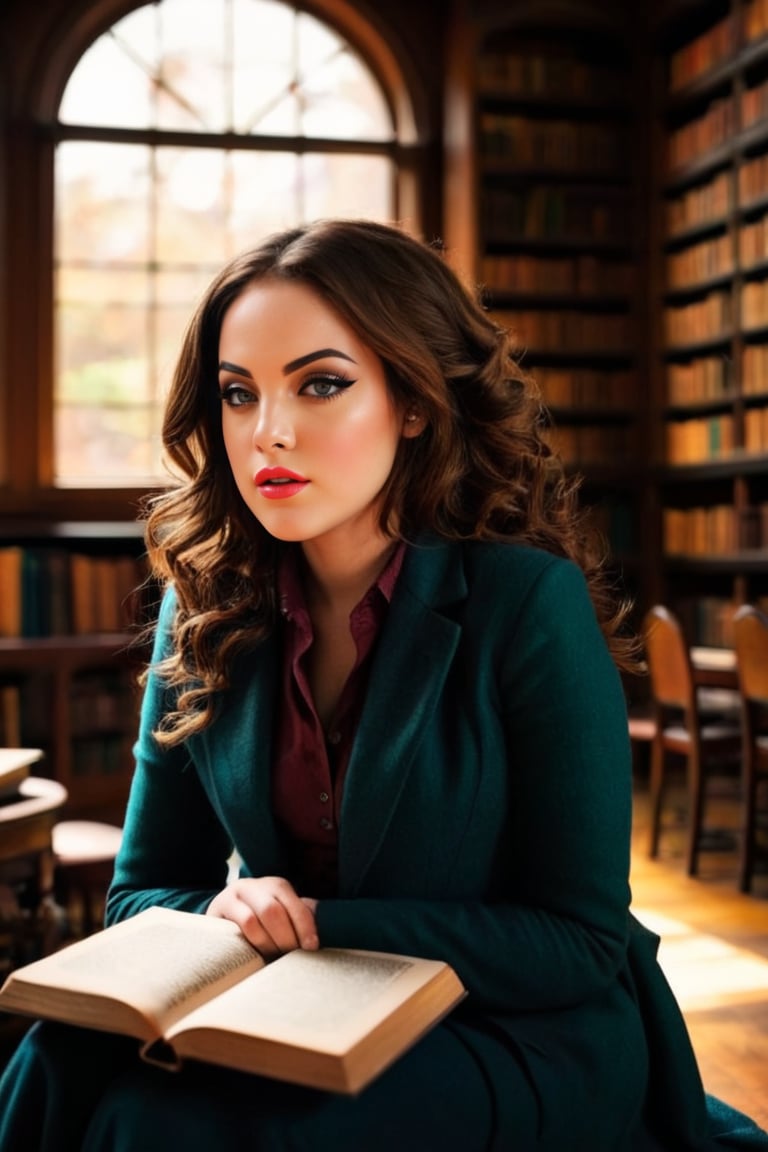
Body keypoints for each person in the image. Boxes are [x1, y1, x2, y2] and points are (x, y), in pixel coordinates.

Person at [0, 218, 765, 1152]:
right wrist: (223, 908)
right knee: (55, 1062)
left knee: (191, 1129)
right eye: (238, 395)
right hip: (290, 1003)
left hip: (512, 1025)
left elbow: (578, 940)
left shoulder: (526, 604)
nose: (267, 432)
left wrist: (318, 923)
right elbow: (143, 891)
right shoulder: (199, 604)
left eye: (321, 384)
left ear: (413, 400)